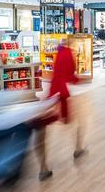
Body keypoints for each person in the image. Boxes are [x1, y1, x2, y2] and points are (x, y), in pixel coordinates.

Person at [35, 43, 84, 181]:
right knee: (76, 122)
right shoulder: (68, 53)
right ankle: (78, 148)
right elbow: (71, 75)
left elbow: (61, 74)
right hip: (62, 94)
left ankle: (43, 168)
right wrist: (79, 79)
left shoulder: (60, 54)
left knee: (41, 130)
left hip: (52, 93)